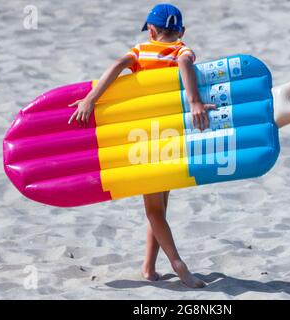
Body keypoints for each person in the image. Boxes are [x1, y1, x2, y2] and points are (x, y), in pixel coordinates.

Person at [68, 3, 216, 288]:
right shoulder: (182, 51)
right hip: (172, 138)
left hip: (144, 140)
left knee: (153, 210)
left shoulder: (139, 51)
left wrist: (91, 99)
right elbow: (186, 64)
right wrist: (195, 101)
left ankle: (178, 265)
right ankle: (148, 268)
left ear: (150, 29)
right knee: (161, 205)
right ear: (181, 31)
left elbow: (116, 67)